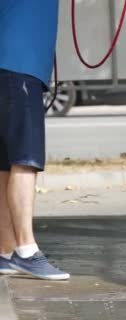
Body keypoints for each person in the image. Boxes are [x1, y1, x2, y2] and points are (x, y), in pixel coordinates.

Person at [0, 0, 69, 280]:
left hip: (8, 64)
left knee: (4, 163)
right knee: (24, 160)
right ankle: (26, 250)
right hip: (20, 65)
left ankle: (5, 251)